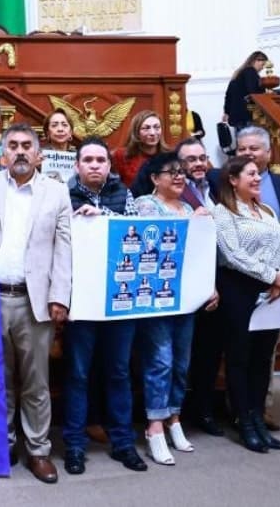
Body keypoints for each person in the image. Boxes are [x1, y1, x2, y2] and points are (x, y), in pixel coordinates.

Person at [62, 137, 146, 476]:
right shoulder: (62, 196)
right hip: (79, 300)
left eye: (101, 160)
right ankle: (75, 446)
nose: (95, 165)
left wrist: (104, 215)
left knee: (119, 373)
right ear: (77, 165)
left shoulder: (123, 194)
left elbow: (139, 233)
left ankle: (123, 443)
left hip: (118, 298)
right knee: (78, 375)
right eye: (89, 160)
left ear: (109, 166)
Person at [0, 123, 71, 483]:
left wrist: (60, 296)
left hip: (34, 300)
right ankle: (7, 443)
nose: (20, 151)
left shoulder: (56, 192)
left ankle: (38, 450)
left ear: (38, 154)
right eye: (13, 145)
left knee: (36, 382)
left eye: (27, 145)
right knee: (0, 378)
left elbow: (64, 247)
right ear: (2, 153)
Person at [211, 156, 280, 454]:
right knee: (240, 359)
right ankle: (244, 422)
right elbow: (232, 255)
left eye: (258, 174)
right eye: (251, 174)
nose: (257, 179)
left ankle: (259, 419)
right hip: (238, 292)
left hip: (271, 292)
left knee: (262, 358)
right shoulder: (222, 212)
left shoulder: (267, 210)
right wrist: (273, 275)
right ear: (233, 180)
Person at [132, 152, 205, 466]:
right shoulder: (146, 205)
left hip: (186, 295)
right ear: (154, 178)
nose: (179, 177)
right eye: (171, 172)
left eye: (182, 172)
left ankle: (175, 417)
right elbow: (158, 242)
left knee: (181, 361)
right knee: (160, 361)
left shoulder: (188, 206)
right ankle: (155, 425)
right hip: (156, 295)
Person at [176, 137, 226, 436]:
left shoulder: (219, 188)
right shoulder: (174, 192)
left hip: (219, 280)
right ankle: (177, 413)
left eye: (201, 158)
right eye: (190, 159)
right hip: (186, 282)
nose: (197, 164)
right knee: (183, 353)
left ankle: (205, 410)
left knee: (210, 351)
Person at [112, 110, 169, 189]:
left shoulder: (169, 156)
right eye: (146, 128)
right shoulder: (121, 155)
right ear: (136, 132)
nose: (152, 133)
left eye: (157, 127)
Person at [222, 50, 267, 128]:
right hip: (247, 115)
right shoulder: (250, 72)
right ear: (255, 61)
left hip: (236, 116)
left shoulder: (238, 74)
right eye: (262, 65)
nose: (262, 68)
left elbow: (228, 96)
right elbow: (253, 92)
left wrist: (227, 112)